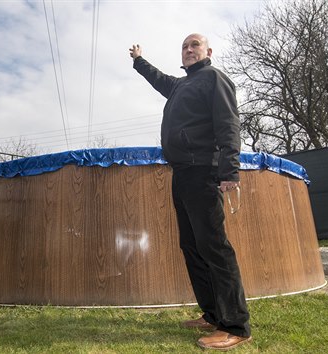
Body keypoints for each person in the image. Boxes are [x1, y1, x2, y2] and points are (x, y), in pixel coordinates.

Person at [129, 34, 252, 350]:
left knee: (214, 247)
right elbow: (159, 80)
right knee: (192, 246)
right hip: (182, 173)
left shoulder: (214, 78)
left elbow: (229, 125)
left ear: (207, 51)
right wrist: (139, 60)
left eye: (194, 44)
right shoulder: (181, 85)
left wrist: (229, 171)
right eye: (184, 46)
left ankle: (235, 326)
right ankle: (212, 314)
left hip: (204, 170)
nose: (188, 49)